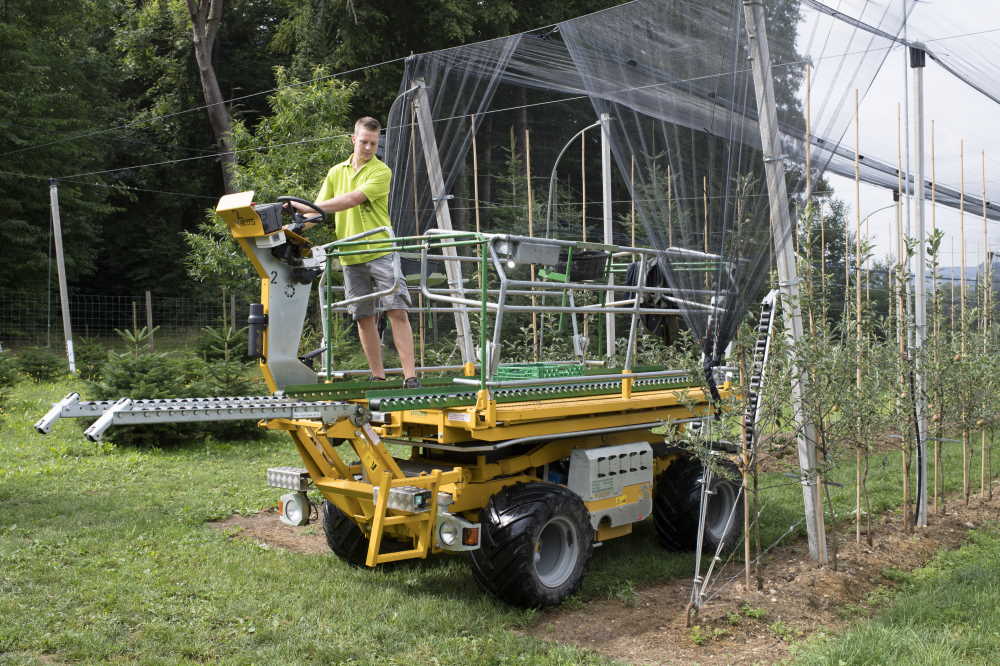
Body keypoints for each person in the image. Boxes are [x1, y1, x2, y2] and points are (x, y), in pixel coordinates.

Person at [289, 116, 419, 388]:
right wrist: (292, 225)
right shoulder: (337, 172)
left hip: (380, 249)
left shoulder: (381, 171)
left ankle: (410, 376)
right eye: (364, 142)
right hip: (350, 253)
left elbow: (351, 200)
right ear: (353, 139)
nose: (369, 148)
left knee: (397, 310)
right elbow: (318, 212)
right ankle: (378, 375)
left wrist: (302, 207)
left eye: (374, 143)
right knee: (363, 315)